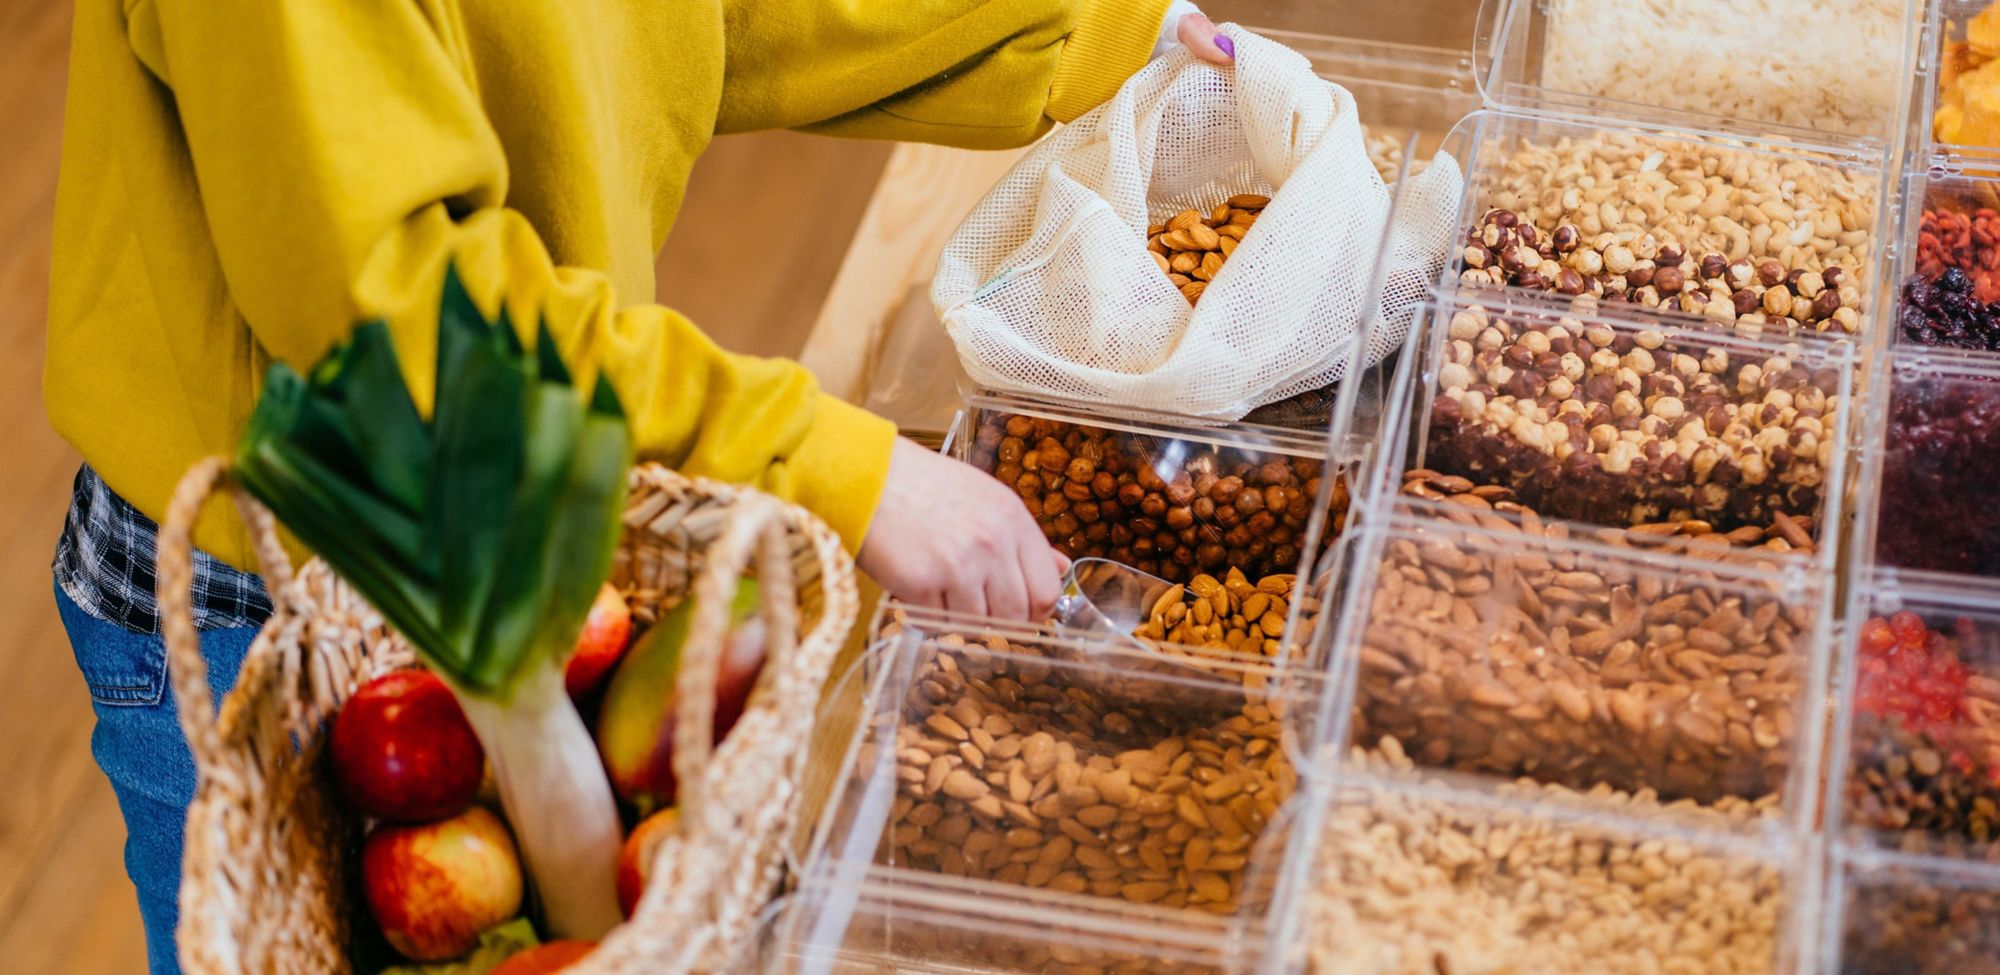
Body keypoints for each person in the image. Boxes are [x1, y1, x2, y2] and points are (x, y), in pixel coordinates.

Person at [43, 0, 1234, 970]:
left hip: (525, 499)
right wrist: (839, 466)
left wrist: (1081, 33)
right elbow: (402, 314)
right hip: (279, 592)